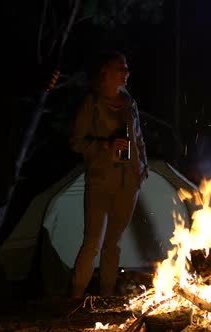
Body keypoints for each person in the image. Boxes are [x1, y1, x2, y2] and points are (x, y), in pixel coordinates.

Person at [69, 50, 148, 299]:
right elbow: (76, 142)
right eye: (120, 68)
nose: (126, 73)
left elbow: (138, 139)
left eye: (126, 69)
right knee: (93, 241)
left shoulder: (129, 102)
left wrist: (142, 168)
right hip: (100, 181)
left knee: (113, 243)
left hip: (129, 182)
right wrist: (104, 145)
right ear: (105, 72)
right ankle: (75, 297)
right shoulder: (92, 103)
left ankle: (106, 295)